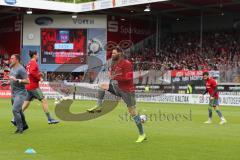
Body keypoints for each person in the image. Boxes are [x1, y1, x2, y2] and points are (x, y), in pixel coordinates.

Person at [87, 47, 146, 143]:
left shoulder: (127, 63)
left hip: (127, 91)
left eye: (114, 53)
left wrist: (115, 77)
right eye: (112, 53)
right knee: (102, 86)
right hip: (118, 88)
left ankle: (142, 134)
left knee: (132, 112)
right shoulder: (114, 64)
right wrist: (111, 73)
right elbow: (112, 74)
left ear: (120, 54)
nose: (112, 55)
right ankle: (98, 104)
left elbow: (128, 78)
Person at [11, 51, 59, 125]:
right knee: (44, 100)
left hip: (28, 86)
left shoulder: (29, 63)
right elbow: (32, 73)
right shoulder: (34, 63)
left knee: (26, 103)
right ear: (34, 55)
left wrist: (39, 74)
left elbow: (30, 72)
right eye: (37, 55)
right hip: (34, 86)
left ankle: (15, 118)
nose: (38, 56)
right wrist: (39, 78)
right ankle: (50, 119)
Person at [9, 54, 29, 134]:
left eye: (12, 58)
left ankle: (20, 129)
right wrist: (7, 82)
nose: (10, 59)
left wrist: (17, 80)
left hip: (20, 93)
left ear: (17, 60)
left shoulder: (21, 69)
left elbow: (28, 81)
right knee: (19, 111)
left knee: (15, 110)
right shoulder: (12, 67)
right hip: (13, 94)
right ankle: (24, 125)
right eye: (11, 58)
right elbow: (12, 79)